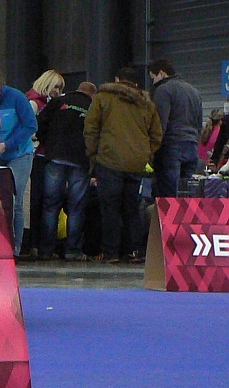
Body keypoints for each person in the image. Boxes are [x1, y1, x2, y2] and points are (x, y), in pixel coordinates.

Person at [84, 68, 162, 263]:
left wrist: (94, 153)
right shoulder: (147, 104)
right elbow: (156, 136)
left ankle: (111, 253)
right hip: (136, 163)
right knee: (132, 208)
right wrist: (144, 153)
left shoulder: (102, 97)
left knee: (110, 208)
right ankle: (131, 250)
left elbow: (91, 128)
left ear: (117, 79)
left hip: (108, 160)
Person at [0, 65, 38, 256]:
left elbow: (30, 125)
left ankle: (15, 248)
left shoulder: (17, 98)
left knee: (15, 199)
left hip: (19, 154)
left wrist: (8, 144)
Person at [36, 81, 96, 260]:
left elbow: (40, 123)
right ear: (92, 94)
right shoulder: (92, 107)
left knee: (50, 205)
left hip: (55, 156)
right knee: (76, 207)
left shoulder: (58, 101)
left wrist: (48, 144)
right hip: (80, 159)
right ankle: (73, 250)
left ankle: (46, 250)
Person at [24, 69, 65, 256]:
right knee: (36, 201)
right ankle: (33, 243)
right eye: (56, 86)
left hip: (43, 154)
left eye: (60, 87)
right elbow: (30, 131)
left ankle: (37, 243)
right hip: (35, 155)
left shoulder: (47, 103)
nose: (57, 90)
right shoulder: (34, 104)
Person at [148, 58, 203, 198]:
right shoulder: (194, 91)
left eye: (152, 77)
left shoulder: (163, 90)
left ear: (161, 73)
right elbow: (199, 124)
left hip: (170, 148)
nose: (152, 82)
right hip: (191, 147)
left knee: (168, 197)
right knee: (186, 195)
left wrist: (152, 149)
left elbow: (160, 124)